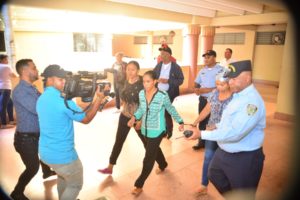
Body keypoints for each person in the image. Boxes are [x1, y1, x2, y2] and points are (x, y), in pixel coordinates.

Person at [187, 60, 265, 198]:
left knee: (243, 192)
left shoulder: (252, 102)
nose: (230, 83)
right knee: (214, 173)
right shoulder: (238, 95)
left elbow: (235, 133)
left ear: (247, 78)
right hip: (225, 150)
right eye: (229, 79)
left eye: (234, 79)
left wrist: (201, 133)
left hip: (244, 156)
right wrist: (216, 126)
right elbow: (227, 120)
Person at [36, 64, 107, 200]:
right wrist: (99, 98)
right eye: (60, 79)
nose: (64, 83)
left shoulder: (42, 98)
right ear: (50, 79)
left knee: (62, 177)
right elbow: (86, 119)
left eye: (64, 80)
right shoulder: (63, 100)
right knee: (75, 184)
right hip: (63, 156)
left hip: (45, 153)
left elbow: (75, 112)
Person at [127, 70, 184, 196]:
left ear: (155, 81)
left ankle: (139, 184)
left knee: (148, 158)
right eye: (144, 82)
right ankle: (163, 164)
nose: (145, 84)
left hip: (157, 130)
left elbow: (170, 108)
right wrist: (134, 118)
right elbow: (142, 108)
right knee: (153, 149)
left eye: (148, 82)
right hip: (145, 129)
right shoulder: (142, 93)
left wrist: (180, 121)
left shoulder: (162, 95)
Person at [10, 59, 56, 200]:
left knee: (45, 152)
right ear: (25, 71)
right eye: (34, 68)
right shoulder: (20, 91)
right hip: (25, 139)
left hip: (35, 135)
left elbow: (44, 101)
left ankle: (46, 172)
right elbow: (39, 108)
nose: (37, 70)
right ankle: (17, 192)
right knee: (32, 167)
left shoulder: (32, 88)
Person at [98, 61, 147, 174]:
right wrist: (103, 102)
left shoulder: (142, 83)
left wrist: (140, 120)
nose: (130, 72)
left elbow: (146, 102)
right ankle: (110, 167)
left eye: (133, 69)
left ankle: (162, 162)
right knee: (119, 141)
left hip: (137, 116)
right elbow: (123, 98)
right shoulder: (125, 81)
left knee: (147, 142)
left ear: (138, 70)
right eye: (128, 69)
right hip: (125, 115)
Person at [191, 67, 232, 196]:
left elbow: (233, 120)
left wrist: (216, 127)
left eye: (222, 84)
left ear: (229, 82)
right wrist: (195, 121)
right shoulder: (214, 93)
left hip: (226, 134)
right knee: (208, 157)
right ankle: (204, 185)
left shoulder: (235, 97)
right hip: (211, 133)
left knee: (227, 162)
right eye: (217, 84)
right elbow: (207, 109)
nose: (219, 87)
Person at [192, 50, 223, 150]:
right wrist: (196, 89)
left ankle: (215, 143)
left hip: (216, 100)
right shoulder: (202, 70)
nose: (206, 59)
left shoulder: (221, 70)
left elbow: (223, 86)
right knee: (202, 120)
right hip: (203, 99)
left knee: (214, 121)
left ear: (214, 57)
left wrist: (207, 89)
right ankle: (201, 141)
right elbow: (196, 83)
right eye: (205, 57)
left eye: (208, 57)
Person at [153, 44, 184, 139]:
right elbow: (153, 75)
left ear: (168, 55)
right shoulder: (158, 65)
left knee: (166, 112)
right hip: (158, 93)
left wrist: (168, 81)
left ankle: (169, 131)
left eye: (163, 54)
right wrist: (155, 80)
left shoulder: (176, 67)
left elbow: (180, 80)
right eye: (160, 54)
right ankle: (163, 130)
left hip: (169, 93)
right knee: (160, 112)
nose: (161, 56)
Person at [0, 54, 17, 129]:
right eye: (6, 59)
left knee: (10, 103)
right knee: (3, 106)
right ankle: (3, 124)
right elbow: (14, 76)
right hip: (6, 87)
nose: (7, 61)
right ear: (2, 60)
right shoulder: (7, 67)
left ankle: (11, 120)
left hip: (1, 87)